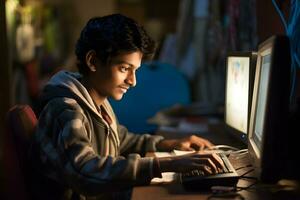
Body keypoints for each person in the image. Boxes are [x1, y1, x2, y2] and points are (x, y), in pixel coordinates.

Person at [30, 14, 223, 200]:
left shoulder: (95, 100)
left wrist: (170, 145)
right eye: (124, 69)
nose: (133, 81)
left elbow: (119, 139)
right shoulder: (66, 110)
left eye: (135, 70)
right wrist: (168, 164)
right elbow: (85, 171)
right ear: (93, 61)